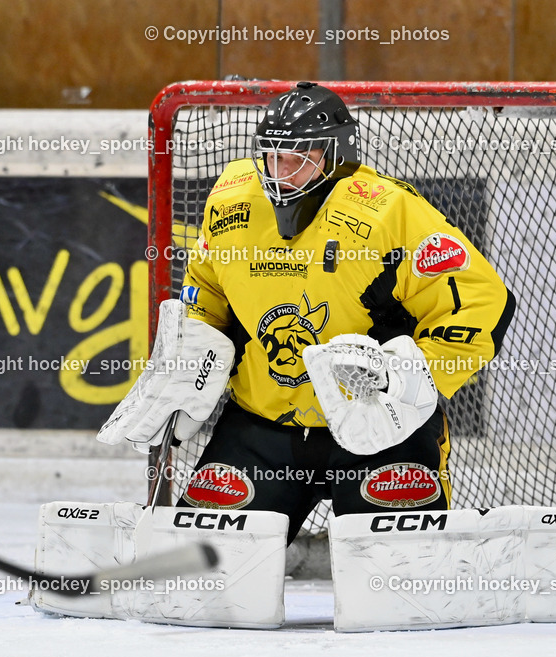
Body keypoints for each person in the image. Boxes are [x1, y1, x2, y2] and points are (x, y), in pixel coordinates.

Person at [101, 82, 514, 544]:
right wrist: (190, 354)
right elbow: (208, 287)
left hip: (376, 431)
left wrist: (412, 379)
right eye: (271, 156)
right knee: (199, 585)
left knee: (399, 586)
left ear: (335, 155)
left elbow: (481, 300)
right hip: (262, 426)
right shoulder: (233, 199)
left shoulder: (388, 211)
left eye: (296, 158)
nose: (279, 172)